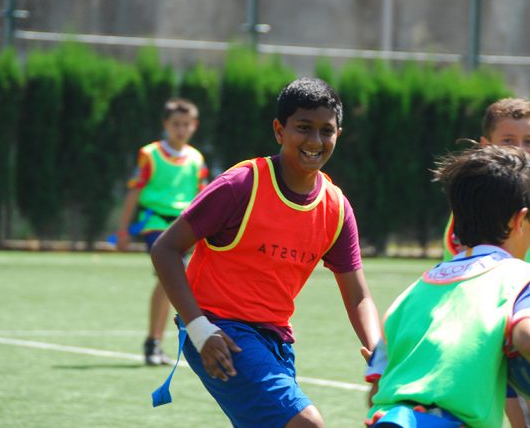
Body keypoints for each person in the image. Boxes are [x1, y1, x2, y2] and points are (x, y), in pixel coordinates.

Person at [150, 78, 381, 427]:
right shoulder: (241, 185)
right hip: (220, 332)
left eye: (326, 131)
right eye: (303, 127)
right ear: (279, 130)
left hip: (277, 339)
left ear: (338, 134)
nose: (315, 141)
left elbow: (358, 295)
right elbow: (166, 249)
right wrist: (199, 329)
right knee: (306, 424)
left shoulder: (336, 207)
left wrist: (378, 354)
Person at [365, 144, 530, 427]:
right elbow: (529, 338)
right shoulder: (525, 279)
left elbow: (375, 390)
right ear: (520, 220)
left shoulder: (410, 293)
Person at [442, 98, 530, 427]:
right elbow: (466, 256)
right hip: (480, 314)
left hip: (514, 307)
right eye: (508, 140)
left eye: (529, 141)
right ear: (485, 145)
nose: (520, 149)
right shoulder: (484, 198)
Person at [115, 97, 208, 366]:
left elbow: (203, 196)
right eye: (176, 124)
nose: (181, 129)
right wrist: (123, 230)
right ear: (165, 124)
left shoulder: (196, 158)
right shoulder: (150, 154)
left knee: (176, 281)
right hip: (155, 222)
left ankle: (156, 342)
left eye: (186, 124)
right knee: (172, 274)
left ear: (194, 126)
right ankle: (153, 341)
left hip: (185, 226)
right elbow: (134, 192)